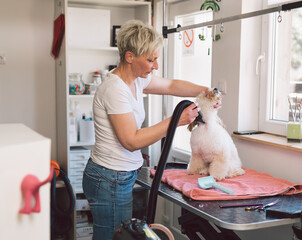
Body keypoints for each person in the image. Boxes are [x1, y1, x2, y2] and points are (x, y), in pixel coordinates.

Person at [82, 20, 214, 240]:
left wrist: (205, 92)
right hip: (109, 178)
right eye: (151, 60)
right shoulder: (115, 89)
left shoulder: (136, 80)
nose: (156, 66)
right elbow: (131, 140)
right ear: (130, 56)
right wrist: (175, 120)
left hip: (118, 175)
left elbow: (172, 86)